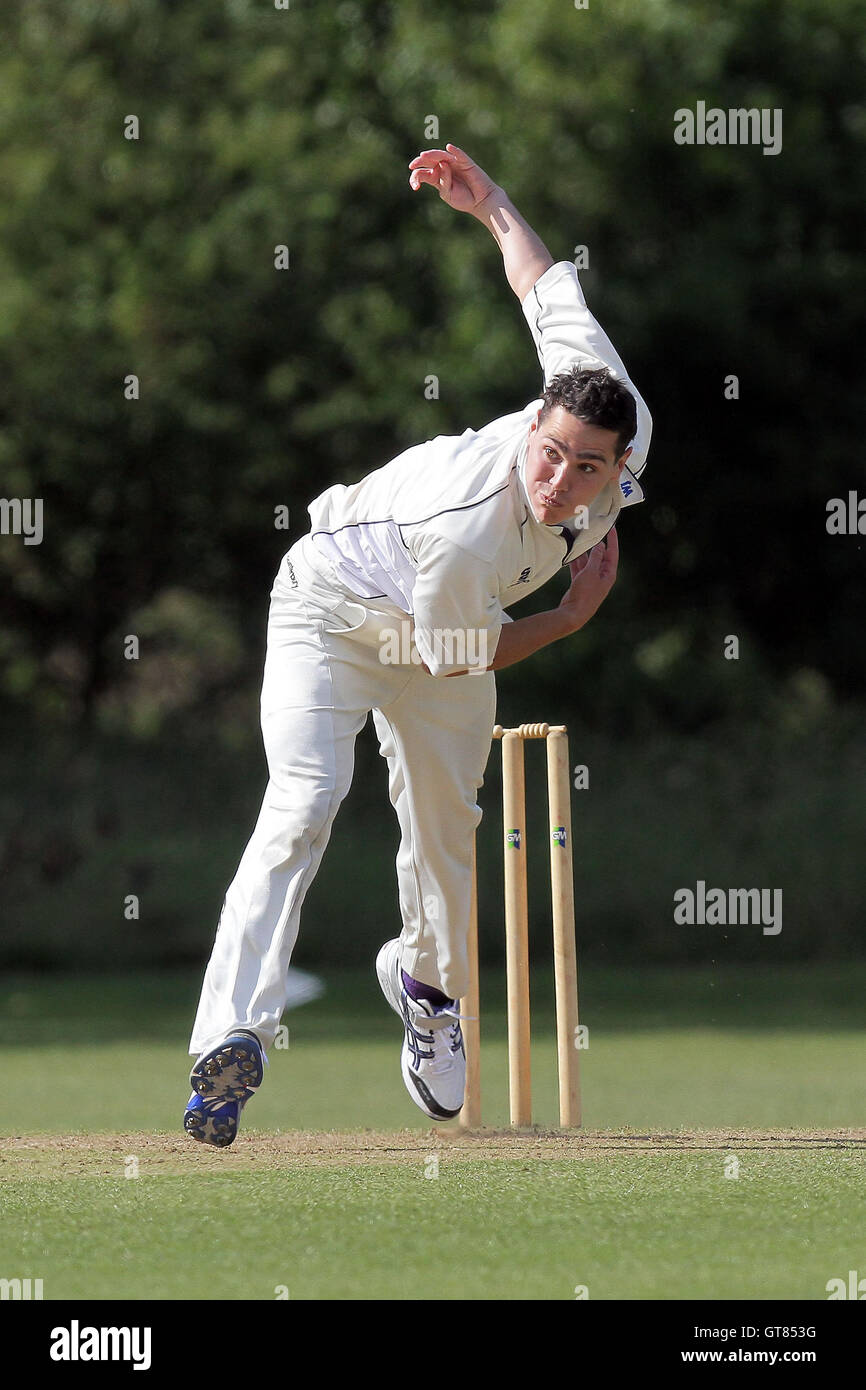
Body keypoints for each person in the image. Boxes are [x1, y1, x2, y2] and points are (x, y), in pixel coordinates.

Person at [184, 143, 652, 1146]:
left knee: (446, 826)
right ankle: (229, 1037)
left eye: (583, 470)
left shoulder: (608, 401)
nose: (557, 480)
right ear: (531, 423)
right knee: (304, 802)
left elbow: (540, 285)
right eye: (549, 454)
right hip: (338, 609)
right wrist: (567, 621)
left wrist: (489, 203)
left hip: (451, 625)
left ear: (621, 465)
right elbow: (464, 657)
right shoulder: (470, 520)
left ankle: (425, 989)